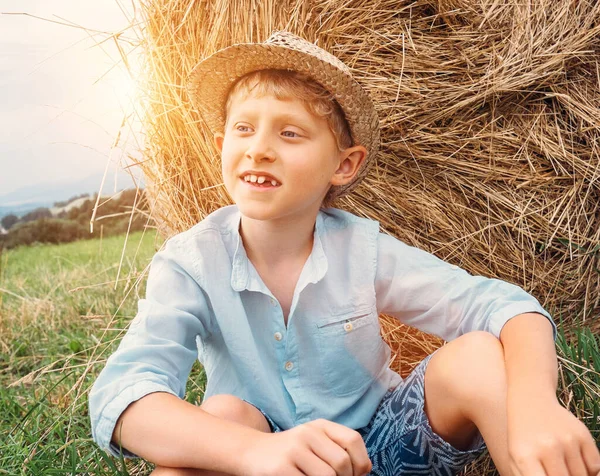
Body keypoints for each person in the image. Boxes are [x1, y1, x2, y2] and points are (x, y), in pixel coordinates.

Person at [89, 31, 600, 476]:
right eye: (244, 129)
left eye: (290, 133)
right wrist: (254, 453)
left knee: (479, 356)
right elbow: (122, 394)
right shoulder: (191, 262)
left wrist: (536, 404)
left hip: (382, 446)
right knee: (224, 414)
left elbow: (507, 307)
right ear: (222, 143)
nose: (259, 148)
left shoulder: (362, 248)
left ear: (344, 165)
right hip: (264, 458)